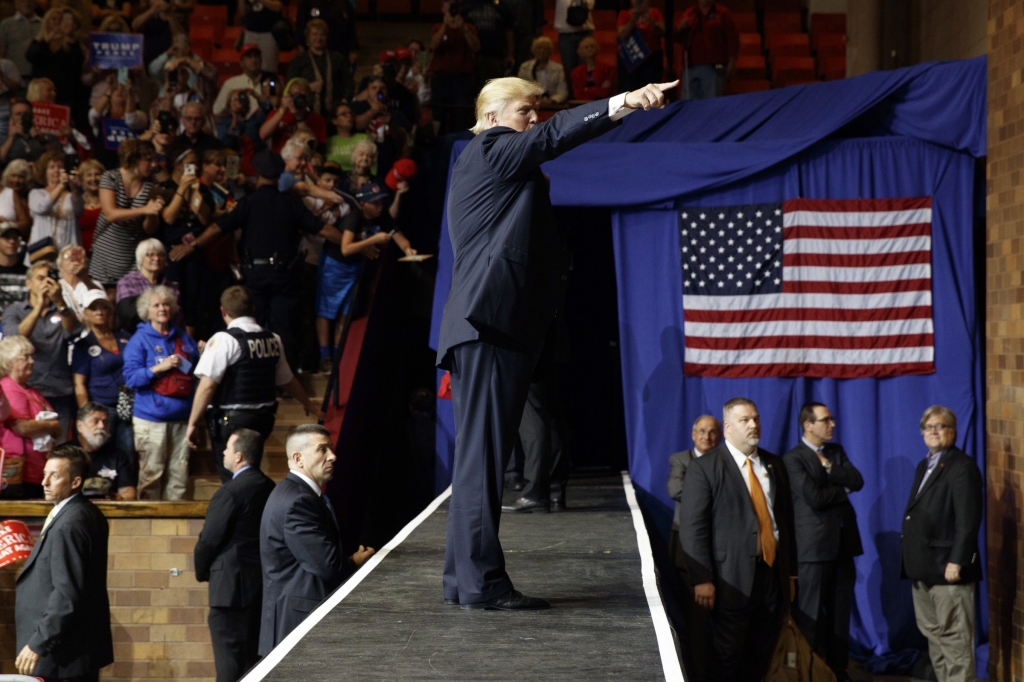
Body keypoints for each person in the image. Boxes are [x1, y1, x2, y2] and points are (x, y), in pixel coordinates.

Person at [435, 76, 677, 610]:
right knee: (483, 460)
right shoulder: (492, 149)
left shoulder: (494, 157)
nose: (535, 119)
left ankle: (464, 579)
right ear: (495, 115)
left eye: (538, 110)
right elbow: (551, 139)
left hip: (491, 325)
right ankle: (480, 583)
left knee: (481, 458)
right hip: (490, 324)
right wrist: (622, 103)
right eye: (527, 110)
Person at [169, 149, 343, 373]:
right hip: (285, 275)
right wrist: (354, 243)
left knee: (250, 327)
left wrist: (191, 245)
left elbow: (216, 228)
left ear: (258, 173)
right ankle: (285, 382)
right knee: (284, 329)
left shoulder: (247, 203)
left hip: (255, 275)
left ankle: (252, 375)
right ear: (280, 173)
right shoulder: (291, 204)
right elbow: (325, 230)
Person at [678, 397, 797, 682]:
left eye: (756, 419)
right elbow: (693, 527)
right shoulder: (705, 467)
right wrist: (701, 577)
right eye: (745, 420)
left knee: (763, 651)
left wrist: (790, 573)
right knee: (727, 654)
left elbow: (787, 523)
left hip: (771, 575)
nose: (753, 425)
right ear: (729, 426)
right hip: (728, 578)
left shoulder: (774, 464)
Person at [259, 424, 375, 654]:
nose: (333, 456)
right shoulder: (297, 501)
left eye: (330, 448)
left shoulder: (294, 493)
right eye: (322, 449)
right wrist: (355, 561)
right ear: (298, 458)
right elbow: (328, 566)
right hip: (299, 628)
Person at [187, 285, 322, 482]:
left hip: (232, 421)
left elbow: (207, 385)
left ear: (223, 311)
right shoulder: (273, 339)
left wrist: (192, 423)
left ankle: (245, 512)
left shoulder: (224, 340)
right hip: (263, 419)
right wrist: (308, 404)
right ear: (253, 308)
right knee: (249, 473)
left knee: (233, 479)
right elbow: (287, 380)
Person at [14, 444, 113, 679]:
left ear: (76, 481)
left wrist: (38, 642)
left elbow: (67, 593)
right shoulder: (86, 512)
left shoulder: (70, 523)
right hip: (72, 651)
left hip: (62, 655)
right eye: (45, 474)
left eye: (55, 476)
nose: (44, 482)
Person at [783, 402, 863, 682]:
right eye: (826, 420)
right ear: (808, 425)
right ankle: (808, 672)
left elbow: (858, 480)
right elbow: (813, 498)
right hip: (813, 549)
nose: (832, 424)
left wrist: (829, 468)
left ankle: (838, 671)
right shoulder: (793, 459)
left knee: (840, 617)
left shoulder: (834, 452)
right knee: (810, 615)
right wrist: (841, 490)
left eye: (832, 419)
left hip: (843, 545)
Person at [902, 406, 982, 682]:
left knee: (955, 641)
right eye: (928, 427)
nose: (933, 431)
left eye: (940, 426)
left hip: (948, 570)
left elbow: (968, 521)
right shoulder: (925, 464)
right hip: (923, 568)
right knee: (934, 638)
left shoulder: (962, 467)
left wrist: (957, 560)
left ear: (953, 431)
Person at [195, 427, 276, 682]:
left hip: (228, 592)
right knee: (254, 662)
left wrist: (202, 571)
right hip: (261, 588)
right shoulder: (270, 488)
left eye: (227, 448)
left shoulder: (230, 491)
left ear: (239, 456)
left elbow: (208, 540)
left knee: (229, 663)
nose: (223, 453)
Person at [122, 284, 200, 500]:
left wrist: (202, 351)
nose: (162, 309)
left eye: (166, 304)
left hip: (182, 419)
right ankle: (150, 528)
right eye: (156, 305)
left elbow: (197, 370)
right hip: (151, 419)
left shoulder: (183, 338)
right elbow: (130, 379)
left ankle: (177, 527)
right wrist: (159, 368)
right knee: (151, 475)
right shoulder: (139, 340)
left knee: (180, 475)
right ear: (147, 310)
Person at [665, 414, 720, 682]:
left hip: (722, 544)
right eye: (702, 431)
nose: (707, 437)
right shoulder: (681, 460)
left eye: (712, 432)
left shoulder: (724, 460)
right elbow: (675, 490)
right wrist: (715, 492)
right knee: (695, 614)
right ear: (692, 434)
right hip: (687, 545)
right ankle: (697, 671)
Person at [2, 260, 80, 445]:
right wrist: (38, 306)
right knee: (29, 444)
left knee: (58, 445)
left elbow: (73, 331)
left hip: (59, 389)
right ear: (28, 283)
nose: (46, 282)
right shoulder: (16, 310)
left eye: (49, 278)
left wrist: (60, 301)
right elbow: (16, 337)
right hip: (27, 387)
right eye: (40, 278)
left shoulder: (61, 310)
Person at [89, 139, 165, 291]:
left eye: (154, 160)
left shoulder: (151, 186)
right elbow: (111, 214)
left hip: (132, 256)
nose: (153, 165)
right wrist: (144, 209)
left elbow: (149, 230)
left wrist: (153, 213)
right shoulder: (111, 177)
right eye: (148, 160)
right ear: (134, 159)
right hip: (105, 256)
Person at [71, 290, 135, 459]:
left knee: (128, 452)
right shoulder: (83, 345)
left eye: (103, 307)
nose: (99, 312)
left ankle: (125, 485)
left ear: (110, 311)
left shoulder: (126, 337)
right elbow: (79, 383)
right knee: (101, 453)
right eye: (93, 308)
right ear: (85, 313)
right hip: (101, 407)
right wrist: (87, 414)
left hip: (128, 405)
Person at [0, 335, 64, 499]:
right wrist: (52, 426)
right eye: (25, 357)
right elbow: (21, 427)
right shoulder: (9, 388)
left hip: (36, 469)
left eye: (32, 356)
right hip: (20, 471)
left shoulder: (31, 390)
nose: (32, 361)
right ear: (10, 362)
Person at [25, 7, 87, 127]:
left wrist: (72, 38)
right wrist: (47, 40)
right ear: (46, 21)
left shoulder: (70, 45)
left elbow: (78, 62)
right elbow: (30, 56)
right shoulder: (40, 42)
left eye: (61, 20)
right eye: (54, 19)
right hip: (40, 94)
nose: (57, 22)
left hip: (64, 94)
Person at [429, 1, 480, 135]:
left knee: (460, 114)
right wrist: (445, 26)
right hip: (441, 78)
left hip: (462, 78)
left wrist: (463, 28)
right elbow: (433, 46)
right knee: (438, 113)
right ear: (443, 8)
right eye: (448, 4)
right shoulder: (438, 27)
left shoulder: (469, 27)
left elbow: (476, 47)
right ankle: (437, 145)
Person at [287, 19, 354, 119]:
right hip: (307, 112)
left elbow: (348, 83)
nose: (318, 38)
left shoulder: (337, 58)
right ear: (308, 38)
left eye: (322, 34)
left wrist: (343, 104)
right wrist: (308, 87)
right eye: (315, 34)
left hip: (334, 113)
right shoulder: (299, 60)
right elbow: (289, 85)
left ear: (327, 38)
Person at [673, 0, 739, 100]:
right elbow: (676, 37)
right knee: (688, 105)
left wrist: (732, 61)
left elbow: (733, 38)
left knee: (711, 105)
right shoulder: (689, 13)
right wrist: (680, 28)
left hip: (714, 68)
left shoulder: (723, 13)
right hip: (690, 67)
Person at [76, 401, 137, 500]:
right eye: (95, 421)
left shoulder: (118, 456)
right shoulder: (65, 455)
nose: (101, 426)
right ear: (79, 426)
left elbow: (129, 493)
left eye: (105, 422)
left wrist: (120, 498)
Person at [259, 78, 327, 154]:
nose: (299, 99)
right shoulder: (277, 113)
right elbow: (263, 135)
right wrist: (282, 109)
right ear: (288, 96)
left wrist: (299, 117)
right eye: (295, 95)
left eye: (302, 96)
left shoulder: (317, 119)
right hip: (279, 160)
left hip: (302, 160)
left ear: (308, 99)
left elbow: (313, 147)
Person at [460, 0, 516, 87]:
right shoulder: (466, 5)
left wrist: (510, 54)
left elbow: (508, 32)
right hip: (469, 56)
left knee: (492, 88)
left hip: (494, 54)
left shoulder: (501, 6)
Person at [616, 0, 665, 91]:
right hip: (631, 57)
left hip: (652, 57)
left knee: (651, 89)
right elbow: (622, 36)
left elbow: (662, 32)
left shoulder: (655, 12)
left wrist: (649, 18)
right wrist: (634, 18)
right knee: (630, 88)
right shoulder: (624, 14)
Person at [115, 238, 179, 303]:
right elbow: (127, 311)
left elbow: (178, 312)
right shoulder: (127, 283)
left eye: (161, 255)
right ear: (141, 258)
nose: (157, 258)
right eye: (151, 255)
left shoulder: (170, 285)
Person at [213, 43, 268, 119]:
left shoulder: (270, 81)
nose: (253, 60)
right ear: (241, 62)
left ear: (261, 60)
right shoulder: (231, 84)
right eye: (249, 57)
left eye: (256, 56)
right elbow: (217, 111)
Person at [554, 0, 594, 97]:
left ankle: (585, 98)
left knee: (585, 68)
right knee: (568, 69)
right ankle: (571, 98)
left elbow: (590, 5)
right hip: (565, 32)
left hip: (584, 31)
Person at [56, 244, 103, 321]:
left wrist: (85, 278)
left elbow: (102, 305)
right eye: (68, 257)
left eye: (78, 257)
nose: (73, 260)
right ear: (60, 265)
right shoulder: (56, 287)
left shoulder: (95, 284)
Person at [517, 36, 568, 105]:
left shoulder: (558, 68)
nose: (542, 51)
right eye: (539, 48)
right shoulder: (525, 67)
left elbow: (562, 91)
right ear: (533, 50)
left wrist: (552, 100)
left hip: (553, 105)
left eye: (545, 48)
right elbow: (521, 88)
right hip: (531, 104)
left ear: (550, 51)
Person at [237, 0, 285, 73]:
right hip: (251, 32)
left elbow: (278, 7)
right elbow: (243, 13)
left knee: (268, 68)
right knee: (249, 68)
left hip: (269, 33)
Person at [0, 0, 43, 80]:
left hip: (39, 75)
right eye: (23, 1)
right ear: (16, 3)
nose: (27, 3)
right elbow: (2, 52)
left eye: (30, 1)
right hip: (14, 77)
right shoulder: (6, 24)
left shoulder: (43, 24)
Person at [325, 101, 371, 171]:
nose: (349, 116)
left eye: (350, 113)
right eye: (344, 114)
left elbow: (372, 164)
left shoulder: (363, 138)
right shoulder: (328, 141)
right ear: (334, 121)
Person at [571, 36, 615, 101]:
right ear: (581, 51)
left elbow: (605, 92)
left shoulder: (606, 69)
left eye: (592, 46)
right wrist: (598, 89)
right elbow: (578, 94)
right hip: (583, 104)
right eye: (586, 47)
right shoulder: (576, 72)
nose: (590, 49)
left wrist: (587, 89)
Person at [78, 159, 104, 254]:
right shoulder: (77, 202)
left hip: (106, 253)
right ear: (81, 179)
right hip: (82, 254)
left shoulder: (109, 201)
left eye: (97, 174)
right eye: (89, 175)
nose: (93, 179)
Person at [0, 222, 27, 315]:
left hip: (24, 324)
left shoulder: (29, 273)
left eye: (15, 238)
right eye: (7, 237)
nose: (12, 241)